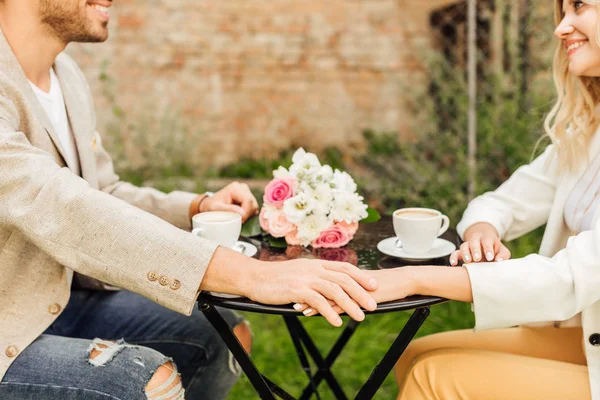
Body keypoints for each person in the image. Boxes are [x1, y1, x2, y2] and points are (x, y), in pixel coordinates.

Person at [0, 1, 380, 399]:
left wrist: (196, 207)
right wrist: (253, 276)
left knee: (221, 336)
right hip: (9, 318)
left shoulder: (66, 77)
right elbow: (61, 206)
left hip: (56, 300)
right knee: (141, 380)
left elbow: (101, 193)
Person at [292, 0, 600, 398]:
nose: (562, 27)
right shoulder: (588, 131)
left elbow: (566, 281)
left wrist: (411, 278)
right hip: (587, 339)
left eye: (580, 6)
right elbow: (501, 202)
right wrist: (482, 230)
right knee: (416, 353)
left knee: (433, 377)